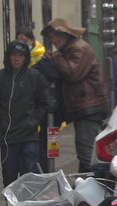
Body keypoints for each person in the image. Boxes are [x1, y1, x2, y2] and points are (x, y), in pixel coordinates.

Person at [42, 18, 109, 172]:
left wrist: (56, 58)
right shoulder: (70, 50)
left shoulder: (79, 48)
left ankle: (91, 187)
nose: (53, 40)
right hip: (85, 108)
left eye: (56, 36)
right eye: (51, 37)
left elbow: (72, 73)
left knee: (86, 153)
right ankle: (86, 183)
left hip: (89, 108)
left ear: (65, 34)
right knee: (85, 152)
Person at [0, 40, 48, 188]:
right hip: (8, 136)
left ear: (25, 58)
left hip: (29, 135)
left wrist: (34, 121)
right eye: (14, 55)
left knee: (30, 173)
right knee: (9, 176)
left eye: (21, 55)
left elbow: (43, 103)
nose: (17, 59)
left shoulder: (34, 77)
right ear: (8, 57)